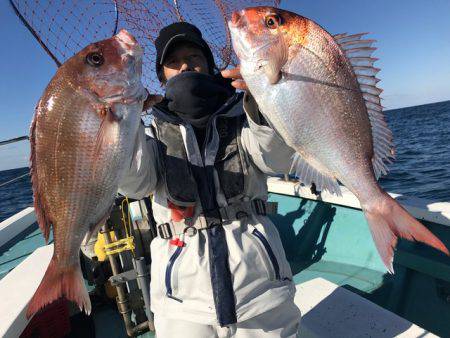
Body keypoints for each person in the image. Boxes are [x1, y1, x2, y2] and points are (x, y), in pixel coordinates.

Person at [119, 22, 301, 337]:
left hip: (260, 289)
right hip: (180, 299)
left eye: (194, 56)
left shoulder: (244, 116)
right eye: (173, 62)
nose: (186, 65)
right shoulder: (149, 132)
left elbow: (276, 160)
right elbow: (135, 185)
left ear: (209, 64)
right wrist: (125, 120)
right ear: (162, 76)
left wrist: (262, 102)